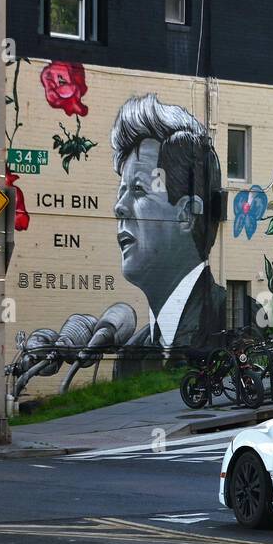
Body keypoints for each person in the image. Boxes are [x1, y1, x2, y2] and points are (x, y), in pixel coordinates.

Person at [110, 94, 226, 353]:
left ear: (186, 214)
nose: (119, 208)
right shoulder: (133, 353)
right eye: (121, 192)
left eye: (138, 190)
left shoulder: (232, 325)